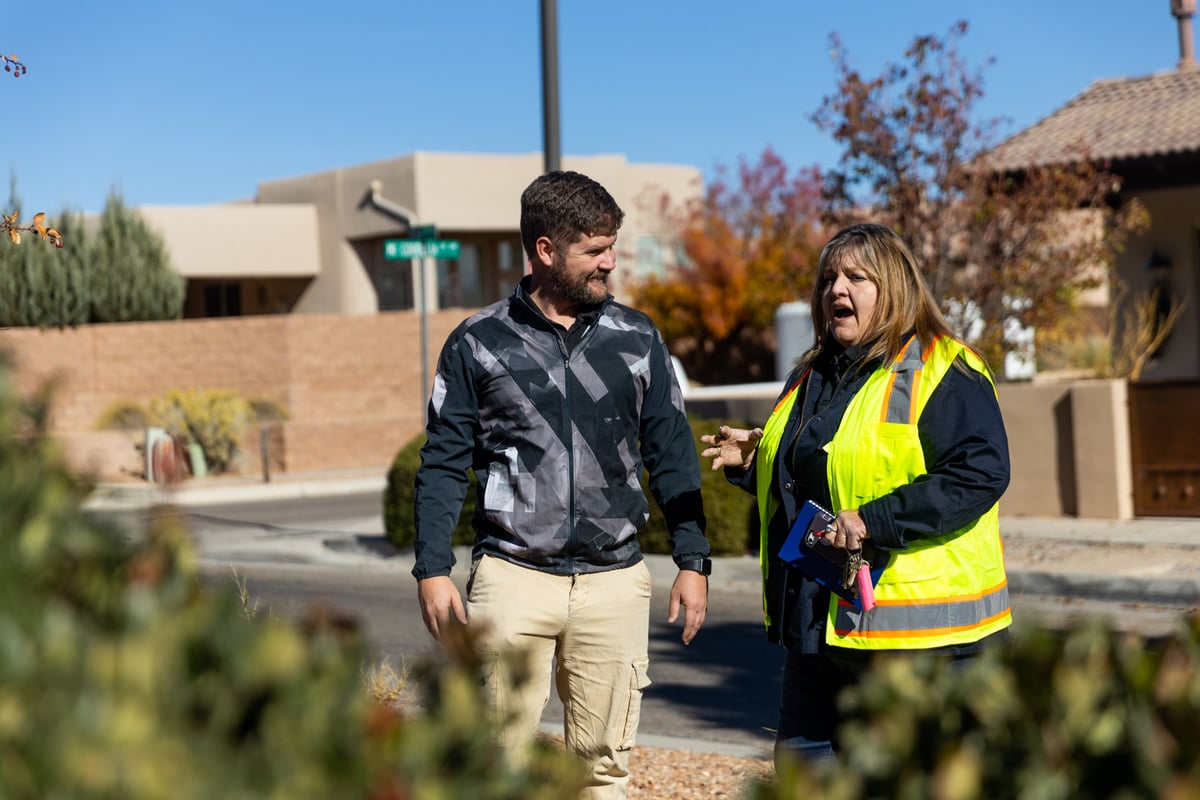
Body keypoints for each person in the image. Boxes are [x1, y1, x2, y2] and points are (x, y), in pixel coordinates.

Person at [412, 170, 711, 799]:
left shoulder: (637, 338)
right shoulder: (478, 343)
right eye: (595, 251)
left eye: (612, 248)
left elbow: (673, 454)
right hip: (511, 577)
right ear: (546, 250)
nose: (611, 263)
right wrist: (432, 567)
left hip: (613, 582)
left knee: (602, 767)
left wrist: (693, 558)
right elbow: (442, 461)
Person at [700, 222, 1012, 767]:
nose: (835, 291)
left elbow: (978, 474)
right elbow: (824, 472)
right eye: (828, 279)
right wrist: (758, 462)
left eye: (856, 277)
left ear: (893, 288)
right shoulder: (812, 374)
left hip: (917, 640)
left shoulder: (943, 367)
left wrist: (874, 519)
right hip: (819, 624)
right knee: (804, 769)